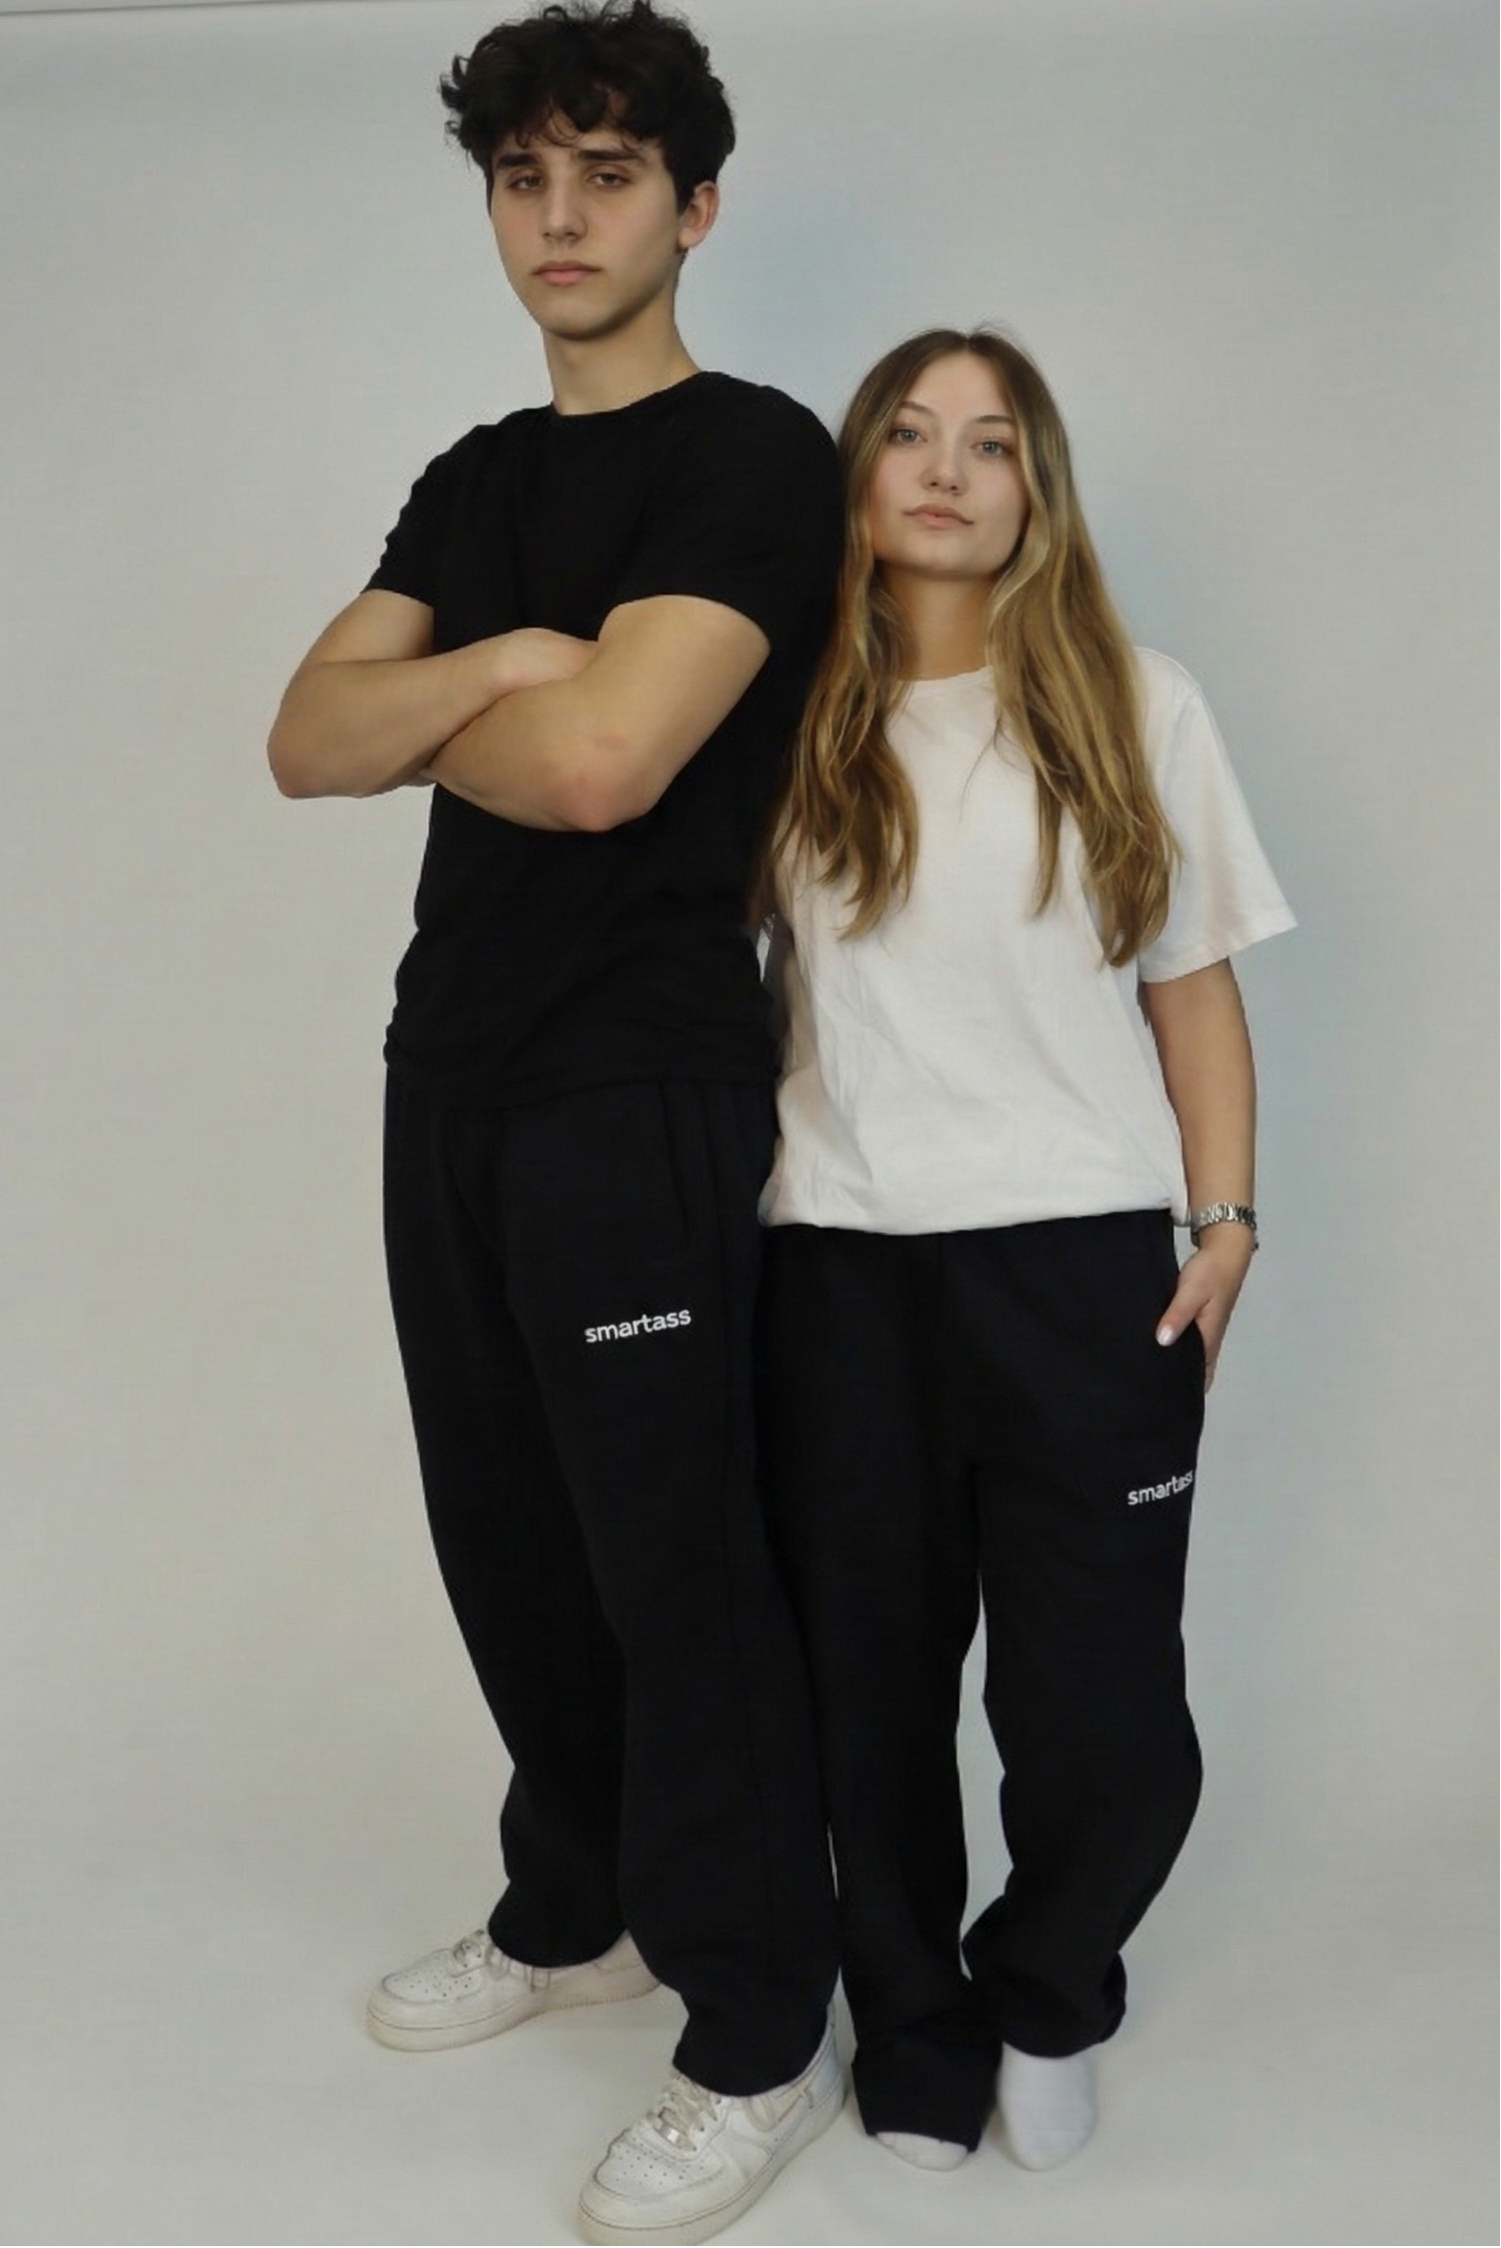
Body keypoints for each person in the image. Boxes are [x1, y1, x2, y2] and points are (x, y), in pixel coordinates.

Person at [266, 6, 844, 2239]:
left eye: (609, 174)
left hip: (640, 1078)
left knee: (672, 1555)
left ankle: (761, 2020)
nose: (562, 216)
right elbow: (303, 740)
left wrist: (474, 700)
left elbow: (611, 771)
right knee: (502, 1524)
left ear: (695, 206)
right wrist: (517, 665)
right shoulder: (476, 475)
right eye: (525, 177)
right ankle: (578, 1900)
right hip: (451, 1068)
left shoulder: (753, 458)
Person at [758, 328, 1295, 2176]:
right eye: (910, 433)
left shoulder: (1138, 704)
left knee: (1103, 1709)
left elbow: (1191, 986)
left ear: (1034, 489)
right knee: (870, 1697)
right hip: (839, 1271)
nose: (946, 470)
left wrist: (1226, 1222)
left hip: (1084, 1276)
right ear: (859, 474)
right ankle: (913, 2024)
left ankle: (1052, 1991)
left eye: (991, 443)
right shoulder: (787, 715)